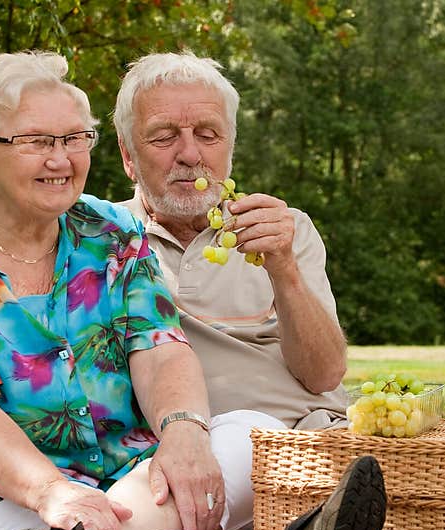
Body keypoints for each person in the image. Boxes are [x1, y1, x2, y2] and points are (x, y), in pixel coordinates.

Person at [0, 50, 386, 530]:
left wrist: (185, 435)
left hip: (120, 473)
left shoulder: (113, 234)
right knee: (69, 529)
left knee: (248, 433)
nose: (62, 158)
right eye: (37, 142)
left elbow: (160, 348)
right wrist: (54, 493)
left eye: (74, 139)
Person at [114, 51, 351, 431]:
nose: (190, 155)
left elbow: (324, 375)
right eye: (164, 137)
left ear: (231, 147)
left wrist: (284, 269)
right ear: (128, 155)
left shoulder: (284, 231)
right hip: (182, 444)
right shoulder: (102, 236)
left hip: (302, 439)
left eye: (208, 135)